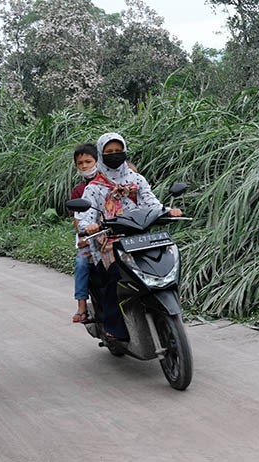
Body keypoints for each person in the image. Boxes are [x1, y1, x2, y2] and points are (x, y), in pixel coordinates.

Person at [76, 132, 181, 340]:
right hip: (110, 241)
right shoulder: (94, 187)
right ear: (101, 154)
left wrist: (168, 210)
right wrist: (89, 226)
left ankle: (168, 304)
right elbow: (85, 216)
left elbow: (151, 203)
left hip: (141, 237)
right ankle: (113, 328)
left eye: (118, 151)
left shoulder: (136, 179)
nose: (114, 155)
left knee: (166, 262)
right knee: (115, 276)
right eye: (109, 152)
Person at [70, 143, 98, 323]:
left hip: (113, 233)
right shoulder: (78, 191)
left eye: (88, 161)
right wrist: (83, 236)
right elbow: (77, 219)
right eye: (80, 163)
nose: (84, 166)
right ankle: (82, 306)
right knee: (81, 263)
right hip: (90, 237)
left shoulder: (108, 182)